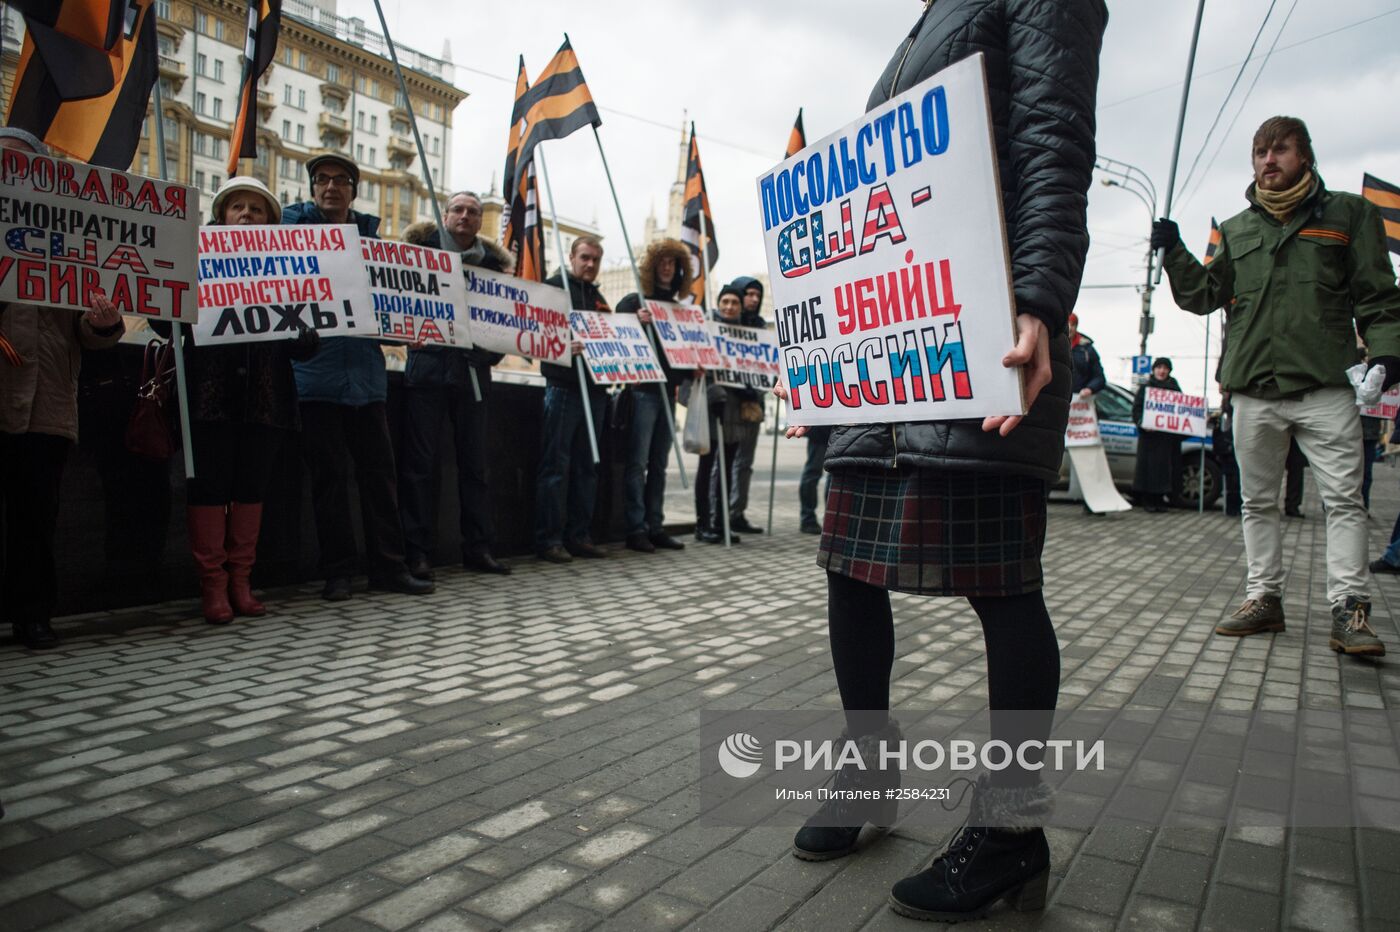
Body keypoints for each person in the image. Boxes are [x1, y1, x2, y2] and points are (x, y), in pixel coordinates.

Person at [778, 1, 1107, 923]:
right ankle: (870, 772)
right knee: (848, 569)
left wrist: (1038, 295)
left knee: (1002, 586)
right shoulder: (930, 18)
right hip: (884, 363)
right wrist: (822, 351)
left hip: (977, 335)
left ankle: (1009, 836)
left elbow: (1053, 139)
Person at [1153, 115, 1400, 656]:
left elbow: (1379, 297)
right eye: (1260, 152)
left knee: (1344, 501)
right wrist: (1173, 251)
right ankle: (1263, 599)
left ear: (1304, 156)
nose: (1269, 160)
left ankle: (1350, 611)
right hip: (1253, 389)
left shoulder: (1348, 216)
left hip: (1325, 388)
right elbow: (1203, 295)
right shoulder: (1239, 228)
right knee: (1256, 502)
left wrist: (1385, 351)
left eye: (1280, 150)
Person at [160, 177, 319, 624]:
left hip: (265, 403)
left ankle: (240, 582)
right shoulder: (193, 259)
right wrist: (169, 300)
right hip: (210, 400)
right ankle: (212, 585)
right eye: (238, 208)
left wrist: (307, 334)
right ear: (221, 216)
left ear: (270, 221)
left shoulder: (289, 268)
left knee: (251, 490)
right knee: (208, 489)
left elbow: (304, 346)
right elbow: (162, 325)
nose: (246, 216)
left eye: (257, 209)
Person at [284, 154, 433, 601]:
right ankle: (339, 572)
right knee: (329, 481)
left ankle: (389, 568)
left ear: (353, 190)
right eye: (322, 179)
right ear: (312, 189)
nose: (331, 186)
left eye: (341, 180)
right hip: (316, 379)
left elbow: (391, 304)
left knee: (379, 478)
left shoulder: (372, 241)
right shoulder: (290, 234)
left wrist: (410, 330)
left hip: (367, 381)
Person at [0, 127, 126, 648]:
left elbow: (87, 332)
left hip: (46, 403)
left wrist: (103, 321)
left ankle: (34, 616)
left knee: (36, 516)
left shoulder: (72, 240)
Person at [399, 193, 515, 579]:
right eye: (458, 210)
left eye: (473, 212)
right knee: (419, 468)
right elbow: (398, 304)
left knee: (476, 467)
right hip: (427, 371)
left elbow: (503, 325)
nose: (465, 216)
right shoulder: (419, 254)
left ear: (480, 221)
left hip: (472, 375)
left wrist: (487, 356)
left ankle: (478, 548)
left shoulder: (494, 268)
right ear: (444, 216)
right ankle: (417, 552)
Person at [536, 236, 611, 563]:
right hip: (564, 386)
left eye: (595, 259)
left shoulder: (598, 298)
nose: (590, 264)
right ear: (571, 257)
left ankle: (579, 535)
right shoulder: (552, 289)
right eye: (585, 257)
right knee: (556, 465)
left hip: (595, 390)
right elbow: (536, 333)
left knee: (587, 467)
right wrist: (563, 345)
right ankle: (549, 539)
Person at [614, 239, 690, 554]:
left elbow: (683, 352)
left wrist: (692, 368)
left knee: (658, 463)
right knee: (638, 462)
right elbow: (617, 329)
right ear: (653, 266)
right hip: (643, 391)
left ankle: (655, 526)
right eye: (663, 262)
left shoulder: (678, 310)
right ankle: (636, 527)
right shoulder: (636, 302)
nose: (668, 267)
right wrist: (636, 320)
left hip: (667, 394)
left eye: (673, 263)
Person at [689, 285, 748, 545]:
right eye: (725, 301)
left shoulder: (747, 335)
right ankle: (703, 524)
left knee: (726, 471)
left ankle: (721, 522)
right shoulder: (707, 331)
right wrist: (713, 391)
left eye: (734, 302)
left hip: (735, 413)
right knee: (707, 467)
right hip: (713, 408)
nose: (729, 306)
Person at [725, 275, 769, 534]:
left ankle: (737, 511)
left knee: (745, 462)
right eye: (749, 294)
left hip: (754, 401)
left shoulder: (761, 326)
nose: (753, 299)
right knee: (728, 460)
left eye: (757, 295)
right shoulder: (730, 323)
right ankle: (722, 512)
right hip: (732, 401)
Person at [1131, 358, 1182, 513]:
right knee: (1148, 469)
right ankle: (1148, 500)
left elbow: (1182, 409)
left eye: (1165, 368)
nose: (1162, 371)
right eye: (1159, 367)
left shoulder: (1174, 388)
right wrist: (1142, 423)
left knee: (1164, 470)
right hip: (1149, 437)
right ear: (1153, 370)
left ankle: (1160, 499)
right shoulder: (1146, 388)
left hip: (1166, 438)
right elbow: (1136, 410)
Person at [798, 425, 832, 535]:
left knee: (815, 474)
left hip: (826, 428)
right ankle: (809, 519)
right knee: (813, 474)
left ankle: (826, 519)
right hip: (821, 428)